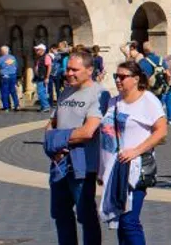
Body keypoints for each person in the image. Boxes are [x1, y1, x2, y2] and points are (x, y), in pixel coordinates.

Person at [100, 60, 168, 245]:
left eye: (123, 77)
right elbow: (107, 135)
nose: (118, 80)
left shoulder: (148, 100)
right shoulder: (113, 101)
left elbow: (161, 131)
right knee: (121, 222)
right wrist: (102, 170)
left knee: (129, 221)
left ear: (136, 79)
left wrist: (136, 151)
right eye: (116, 76)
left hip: (135, 168)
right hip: (114, 169)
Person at [48, 50, 105, 245]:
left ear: (89, 70)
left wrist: (58, 140)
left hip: (83, 165)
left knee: (85, 215)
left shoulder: (99, 94)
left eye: (74, 70)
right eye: (67, 69)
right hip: (59, 163)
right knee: (60, 214)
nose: (69, 73)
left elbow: (88, 131)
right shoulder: (65, 91)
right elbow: (51, 124)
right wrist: (51, 147)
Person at [0, 45, 20, 112]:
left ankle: (6, 107)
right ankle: (17, 105)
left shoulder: (0, 59)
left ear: (2, 51)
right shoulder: (13, 57)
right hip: (13, 76)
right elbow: (16, 66)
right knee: (13, 91)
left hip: (4, 76)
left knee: (4, 92)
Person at [34, 43, 54, 112]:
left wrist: (47, 77)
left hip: (43, 77)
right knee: (41, 92)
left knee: (41, 92)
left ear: (42, 50)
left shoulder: (46, 56)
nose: (36, 51)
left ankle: (46, 106)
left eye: (37, 50)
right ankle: (43, 106)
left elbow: (49, 66)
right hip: (39, 77)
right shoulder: (39, 57)